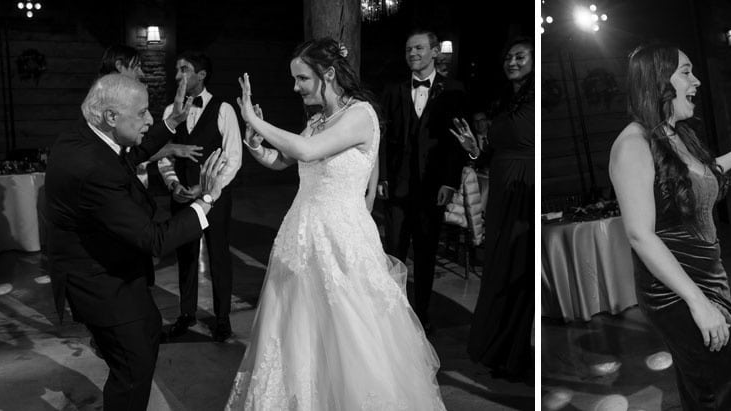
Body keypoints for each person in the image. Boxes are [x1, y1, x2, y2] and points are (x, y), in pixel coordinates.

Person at [225, 38, 445, 409]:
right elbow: (284, 161)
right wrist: (254, 145)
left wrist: (254, 118)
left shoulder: (360, 115)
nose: (295, 88)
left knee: (349, 336)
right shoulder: (316, 122)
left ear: (327, 74)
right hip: (299, 237)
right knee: (296, 334)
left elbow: (307, 151)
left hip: (342, 241)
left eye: (302, 79)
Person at [607, 43, 731, 410]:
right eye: (686, 72)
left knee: (707, 389)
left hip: (709, 279)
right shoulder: (633, 144)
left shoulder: (677, 135)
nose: (697, 81)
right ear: (659, 80)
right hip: (675, 291)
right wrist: (697, 302)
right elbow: (640, 234)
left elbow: (689, 185)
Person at [46, 73, 236, 410]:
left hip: (111, 270)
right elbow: (155, 239)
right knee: (132, 371)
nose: (150, 119)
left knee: (147, 331)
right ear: (111, 116)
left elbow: (130, 156)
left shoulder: (81, 138)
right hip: (101, 284)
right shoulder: (94, 169)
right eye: (143, 113)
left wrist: (171, 121)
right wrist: (207, 199)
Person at [450, 38, 534, 379]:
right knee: (498, 268)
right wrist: (473, 149)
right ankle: (498, 350)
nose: (512, 62)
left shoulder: (539, 97)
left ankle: (516, 356)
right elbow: (488, 154)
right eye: (508, 57)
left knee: (520, 271)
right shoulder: (503, 101)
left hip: (525, 190)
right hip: (502, 189)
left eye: (519, 56)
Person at [378, 29, 468, 330]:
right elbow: (384, 136)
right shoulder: (393, 90)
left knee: (427, 254)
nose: (412, 54)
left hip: (432, 188)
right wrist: (383, 176)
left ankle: (423, 315)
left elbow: (456, 142)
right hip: (398, 187)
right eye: (408, 50)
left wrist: (449, 182)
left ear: (434, 53)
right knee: (394, 254)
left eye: (418, 48)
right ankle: (393, 315)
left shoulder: (454, 90)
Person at [156, 51, 243, 342]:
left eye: (184, 70)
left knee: (218, 255)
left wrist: (208, 191)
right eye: (177, 70)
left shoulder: (224, 109)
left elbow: (233, 157)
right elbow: (163, 155)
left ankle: (222, 319)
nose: (178, 75)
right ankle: (186, 314)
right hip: (181, 196)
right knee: (186, 256)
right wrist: (173, 185)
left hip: (214, 198)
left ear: (201, 75)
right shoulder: (171, 110)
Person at [98, 44, 203, 188]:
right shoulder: (103, 102)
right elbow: (127, 155)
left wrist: (172, 122)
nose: (141, 73)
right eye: (137, 67)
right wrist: (171, 147)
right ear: (120, 66)